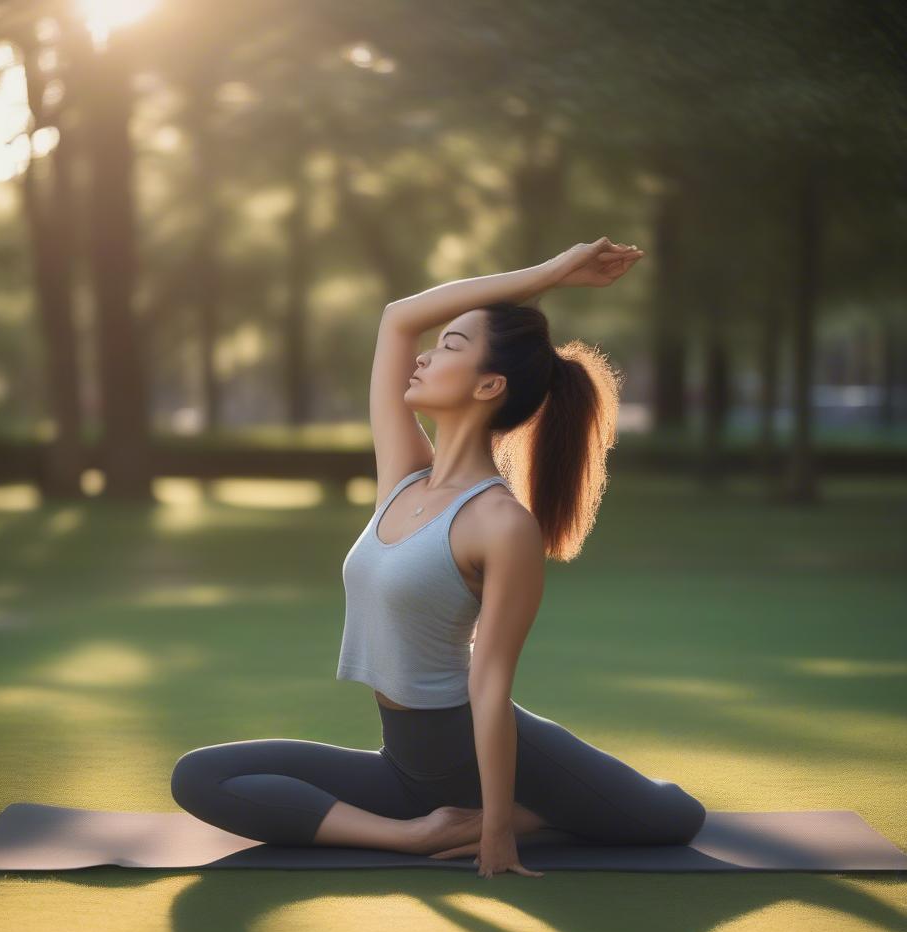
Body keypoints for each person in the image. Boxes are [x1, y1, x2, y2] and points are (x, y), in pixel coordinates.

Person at [170, 237, 707, 879]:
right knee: (200, 777)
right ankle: (417, 835)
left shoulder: (501, 524)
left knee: (672, 817)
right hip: (404, 764)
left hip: (468, 744)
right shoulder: (403, 477)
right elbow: (398, 317)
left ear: (489, 384)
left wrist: (502, 830)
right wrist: (547, 275)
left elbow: (490, 682)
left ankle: (522, 811)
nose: (424, 354)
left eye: (451, 346)